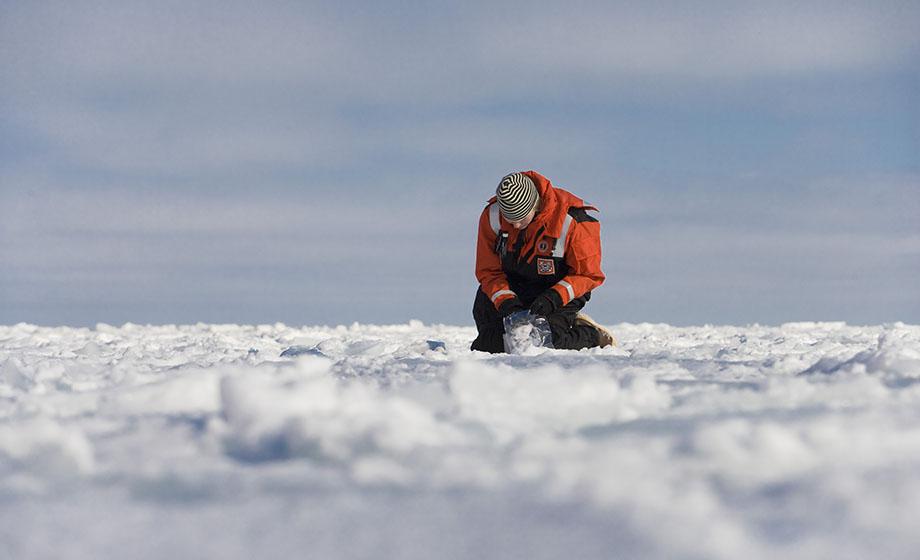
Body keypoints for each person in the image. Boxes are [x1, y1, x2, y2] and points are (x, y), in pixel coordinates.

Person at [471, 170, 615, 353]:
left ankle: (592, 335)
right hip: (512, 286)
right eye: (509, 219)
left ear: (535, 206)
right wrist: (506, 301)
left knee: (546, 344)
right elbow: (488, 270)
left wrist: (554, 298)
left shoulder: (574, 222)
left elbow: (588, 274)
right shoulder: (492, 216)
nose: (514, 225)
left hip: (557, 290)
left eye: (521, 219)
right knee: (489, 346)